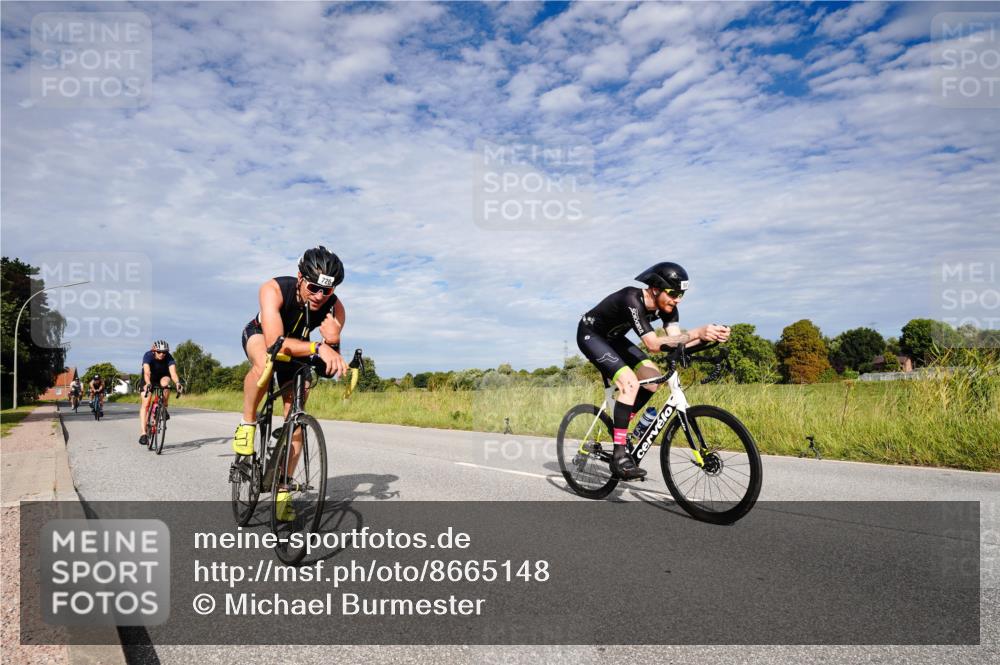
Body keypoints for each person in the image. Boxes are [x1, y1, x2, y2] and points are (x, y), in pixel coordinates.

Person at [577, 262, 730, 480]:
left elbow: (676, 342)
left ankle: (622, 422)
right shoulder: (632, 299)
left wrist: (708, 339)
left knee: (652, 380)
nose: (678, 299)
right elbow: (653, 344)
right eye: (674, 293)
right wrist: (697, 331)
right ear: (656, 288)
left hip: (614, 339)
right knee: (629, 383)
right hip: (591, 335)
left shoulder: (669, 309)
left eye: (682, 294)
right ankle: (619, 457)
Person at [233, 246, 348, 519]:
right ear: (299, 277)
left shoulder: (336, 309)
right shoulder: (273, 289)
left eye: (327, 291)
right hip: (263, 337)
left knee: (296, 418)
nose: (320, 296)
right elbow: (276, 344)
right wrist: (319, 347)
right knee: (265, 362)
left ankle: (282, 487)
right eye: (313, 288)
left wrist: (332, 341)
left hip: (301, 350)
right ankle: (247, 424)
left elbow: (327, 369)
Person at [139, 340, 184, 445]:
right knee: (146, 403)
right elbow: (147, 372)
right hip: (149, 377)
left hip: (163, 376)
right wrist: (148, 383)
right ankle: (143, 433)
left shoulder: (169, 357)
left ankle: (164, 407)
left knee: (166, 385)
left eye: (164, 352)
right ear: (154, 351)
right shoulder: (148, 355)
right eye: (159, 352)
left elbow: (173, 373)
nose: (162, 354)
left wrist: (177, 383)